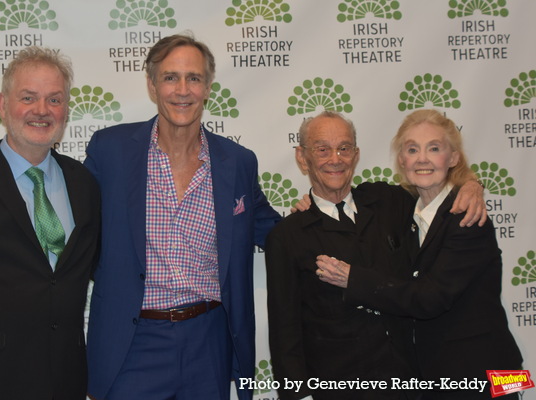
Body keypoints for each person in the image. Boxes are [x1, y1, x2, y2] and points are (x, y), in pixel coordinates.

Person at [83, 33, 281, 400]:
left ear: (207, 88)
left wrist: (316, 209)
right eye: (171, 77)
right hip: (132, 342)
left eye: (194, 78)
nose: (182, 90)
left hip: (209, 342)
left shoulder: (237, 162)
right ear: (152, 84)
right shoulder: (110, 149)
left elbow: (274, 232)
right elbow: (73, 216)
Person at [265, 111, 485, 400]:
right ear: (302, 158)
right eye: (322, 149)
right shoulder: (287, 235)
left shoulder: (389, 201)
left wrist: (472, 185)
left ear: (356, 156)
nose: (335, 158)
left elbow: (438, 187)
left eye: (344, 148)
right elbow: (285, 334)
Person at [318, 109, 523, 399]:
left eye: (434, 148)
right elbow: (344, 193)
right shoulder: (406, 210)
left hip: (486, 378)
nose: (422, 158)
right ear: (402, 160)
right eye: (412, 149)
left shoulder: (467, 217)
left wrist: (354, 279)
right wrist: (313, 202)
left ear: (453, 158)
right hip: (438, 378)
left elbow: (430, 298)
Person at [0, 47, 101, 400]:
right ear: (2, 104)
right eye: (28, 97)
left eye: (54, 99)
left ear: (67, 109)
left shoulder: (84, 183)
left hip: (65, 381)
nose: (42, 110)